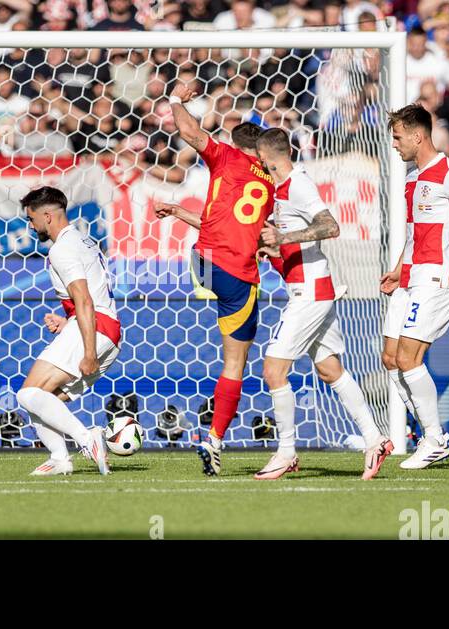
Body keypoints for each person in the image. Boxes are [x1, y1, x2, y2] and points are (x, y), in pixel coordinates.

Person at [253, 128, 393, 480]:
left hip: (310, 293)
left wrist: (283, 236)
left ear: (268, 157)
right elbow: (302, 238)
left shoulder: (298, 185)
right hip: (313, 286)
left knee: (273, 369)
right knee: (330, 369)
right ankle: (375, 439)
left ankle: (286, 452)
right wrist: (276, 248)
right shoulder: (283, 190)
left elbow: (330, 226)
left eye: (259, 157)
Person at [155, 82, 274, 476]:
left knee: (217, 236)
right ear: (259, 150)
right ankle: (215, 438)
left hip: (203, 260)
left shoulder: (223, 158)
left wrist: (176, 100)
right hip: (237, 272)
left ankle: (215, 438)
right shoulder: (272, 182)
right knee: (235, 363)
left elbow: (189, 133)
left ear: (234, 141)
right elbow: (258, 232)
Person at [379, 104, 449, 469]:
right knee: (391, 359)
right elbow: (414, 234)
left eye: (397, 137)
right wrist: (397, 269)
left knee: (409, 358)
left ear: (417, 135)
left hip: (436, 278)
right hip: (409, 277)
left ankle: (434, 437)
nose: (394, 144)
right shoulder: (412, 177)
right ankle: (425, 432)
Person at [16, 187, 115, 476]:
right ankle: (60, 458)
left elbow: (84, 298)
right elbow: (90, 296)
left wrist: (88, 351)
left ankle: (88, 439)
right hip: (105, 328)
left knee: (28, 394)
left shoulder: (62, 248)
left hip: (95, 329)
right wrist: (68, 320)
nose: (31, 226)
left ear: (47, 216)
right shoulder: (84, 239)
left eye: (31, 219)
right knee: (45, 401)